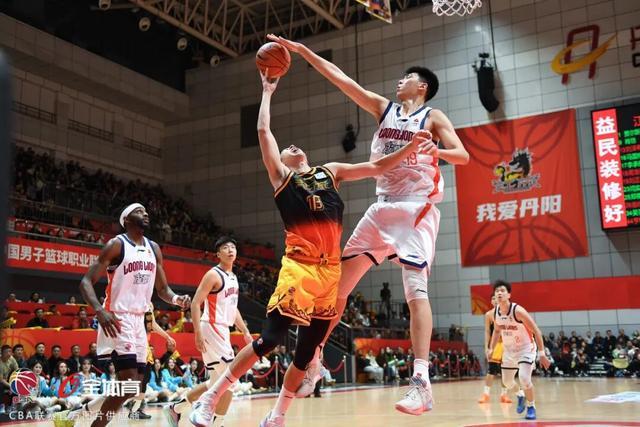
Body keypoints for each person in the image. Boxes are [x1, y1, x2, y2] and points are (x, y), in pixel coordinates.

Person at [188, 72, 431, 427]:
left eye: (294, 146)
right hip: (299, 268)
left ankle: (278, 416)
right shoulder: (282, 179)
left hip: (329, 272)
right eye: (285, 149)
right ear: (280, 161)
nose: (291, 146)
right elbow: (263, 132)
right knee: (269, 339)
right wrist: (267, 91)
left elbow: (378, 167)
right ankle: (209, 400)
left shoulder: (330, 172)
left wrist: (412, 148)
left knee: (305, 355)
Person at [267, 34, 469, 415]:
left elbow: (463, 155)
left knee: (415, 290)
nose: (400, 81)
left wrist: (437, 149)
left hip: (416, 207)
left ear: (422, 87)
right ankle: (314, 358)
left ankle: (421, 383)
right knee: (336, 287)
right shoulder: (383, 108)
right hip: (382, 207)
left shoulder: (433, 117)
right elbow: (341, 79)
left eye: (407, 77)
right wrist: (303, 51)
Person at [62, 203, 190, 427]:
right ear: (127, 220)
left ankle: (79, 413)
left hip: (139, 319)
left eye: (146, 211)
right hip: (117, 317)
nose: (145, 214)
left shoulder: (154, 248)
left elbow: (163, 289)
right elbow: (85, 282)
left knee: (133, 388)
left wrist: (178, 299)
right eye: (139, 211)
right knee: (129, 382)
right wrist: (100, 310)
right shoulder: (117, 245)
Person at [168, 236, 252, 427]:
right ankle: (217, 423)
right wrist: (197, 332)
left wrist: (245, 331)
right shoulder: (213, 275)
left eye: (233, 247)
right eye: (225, 247)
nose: (230, 250)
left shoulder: (233, 277)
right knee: (231, 379)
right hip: (211, 327)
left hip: (223, 330)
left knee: (214, 383)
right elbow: (195, 303)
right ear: (218, 254)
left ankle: (176, 408)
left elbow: (233, 309)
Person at [487, 280, 551, 420]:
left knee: (524, 378)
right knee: (507, 382)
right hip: (509, 351)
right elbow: (496, 331)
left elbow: (536, 331)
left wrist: (542, 354)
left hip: (525, 349)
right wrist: (491, 348)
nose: (499, 293)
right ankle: (520, 395)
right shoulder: (495, 313)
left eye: (502, 291)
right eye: (497, 291)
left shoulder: (518, 311)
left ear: (509, 295)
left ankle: (531, 406)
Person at [478, 295, 511, 404]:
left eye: (497, 298)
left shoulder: (508, 313)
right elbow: (487, 331)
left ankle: (504, 395)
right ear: (491, 301)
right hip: (495, 344)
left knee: (505, 371)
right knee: (491, 369)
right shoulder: (489, 314)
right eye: (493, 298)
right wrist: (487, 347)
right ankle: (486, 394)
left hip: (507, 344)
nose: (495, 300)